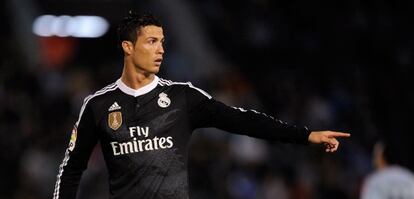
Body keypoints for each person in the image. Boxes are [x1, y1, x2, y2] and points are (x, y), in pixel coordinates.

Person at [53, 12, 350, 199]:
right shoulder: (98, 104)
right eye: (152, 42)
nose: (161, 50)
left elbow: (241, 119)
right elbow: (71, 168)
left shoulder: (183, 97)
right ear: (127, 48)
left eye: (163, 42)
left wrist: (304, 135)